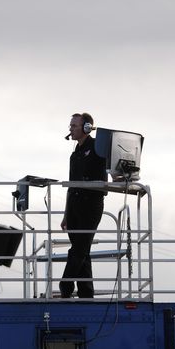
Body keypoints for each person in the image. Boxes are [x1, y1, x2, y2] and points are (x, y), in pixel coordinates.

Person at [59, 113, 107, 298]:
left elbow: (109, 164)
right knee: (83, 251)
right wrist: (66, 214)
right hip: (74, 206)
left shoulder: (97, 147)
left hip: (91, 205)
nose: (70, 129)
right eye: (70, 125)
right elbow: (71, 186)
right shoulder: (74, 154)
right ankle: (86, 292)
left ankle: (65, 287)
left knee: (79, 248)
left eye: (74, 125)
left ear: (87, 127)